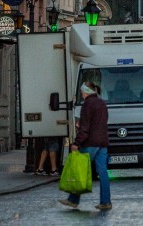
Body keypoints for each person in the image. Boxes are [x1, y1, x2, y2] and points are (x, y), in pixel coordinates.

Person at [59, 82, 111, 211]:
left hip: (91, 142)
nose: (82, 94)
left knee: (80, 170)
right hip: (103, 142)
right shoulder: (102, 103)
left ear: (86, 92)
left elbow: (85, 128)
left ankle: (73, 200)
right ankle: (106, 201)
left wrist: (77, 143)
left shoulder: (87, 104)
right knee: (103, 172)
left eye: (82, 92)